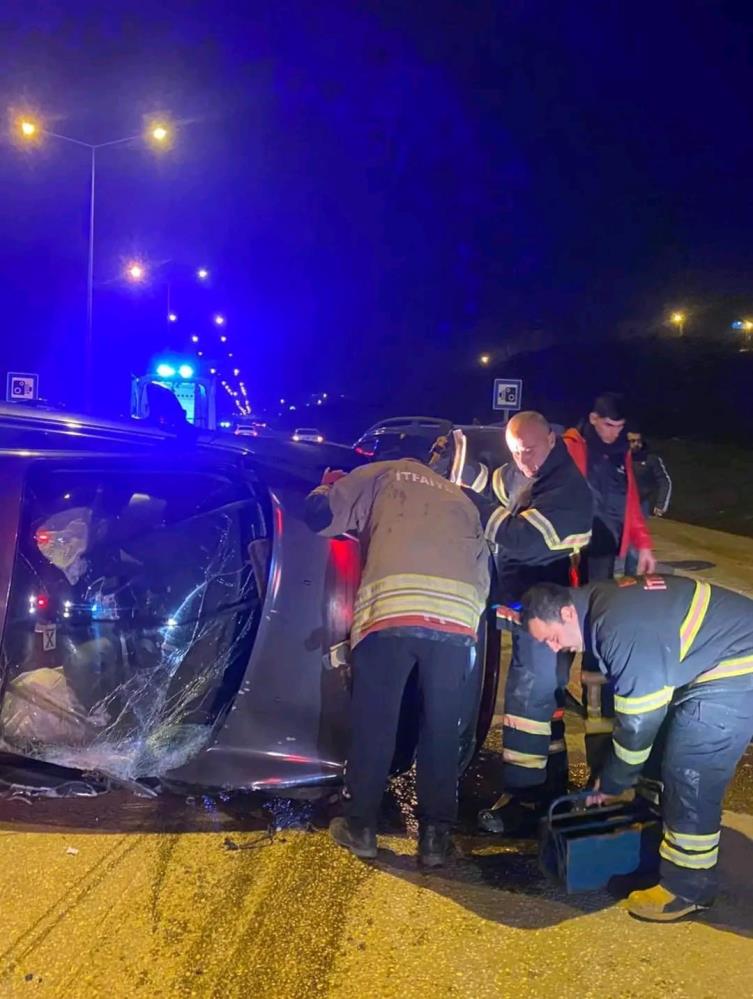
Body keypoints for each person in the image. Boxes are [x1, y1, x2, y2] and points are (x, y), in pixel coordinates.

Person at [304, 434, 490, 867]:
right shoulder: (460, 497)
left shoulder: (378, 474)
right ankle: (435, 839)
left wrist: (327, 484)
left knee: (377, 723)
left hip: (393, 609)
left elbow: (320, 517)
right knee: (441, 729)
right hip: (458, 620)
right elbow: (483, 568)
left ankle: (360, 826)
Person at [521, 576, 753, 922]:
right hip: (716, 661)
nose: (556, 648)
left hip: (739, 667)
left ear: (568, 613)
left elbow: (637, 724)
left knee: (690, 767)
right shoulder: (601, 604)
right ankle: (659, 839)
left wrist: (614, 782)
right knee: (662, 751)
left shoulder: (619, 628)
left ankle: (688, 887)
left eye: (553, 638)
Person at [448, 412, 593, 835]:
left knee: (528, 702)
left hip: (551, 614)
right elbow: (494, 482)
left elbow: (522, 539)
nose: (523, 459)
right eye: (515, 451)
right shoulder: (527, 471)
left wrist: (472, 506)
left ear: (551, 439)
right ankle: (551, 784)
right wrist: (457, 469)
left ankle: (525, 800)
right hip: (532, 607)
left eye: (529, 449)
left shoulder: (567, 489)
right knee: (544, 704)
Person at [563, 393, 656, 771]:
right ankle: (565, 679)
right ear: (592, 419)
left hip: (605, 552)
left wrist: (643, 543)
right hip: (575, 550)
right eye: (607, 425)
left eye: (618, 428)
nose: (612, 433)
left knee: (600, 626)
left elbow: (630, 503)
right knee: (570, 621)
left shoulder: (622, 453)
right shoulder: (574, 446)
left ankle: (596, 695)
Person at [624, 430, 672, 575]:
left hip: (639, 505)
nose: (636, 444)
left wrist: (661, 504)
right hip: (617, 504)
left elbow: (665, 481)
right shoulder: (617, 457)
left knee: (634, 543)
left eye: (638, 440)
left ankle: (631, 576)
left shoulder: (651, 459)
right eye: (632, 441)